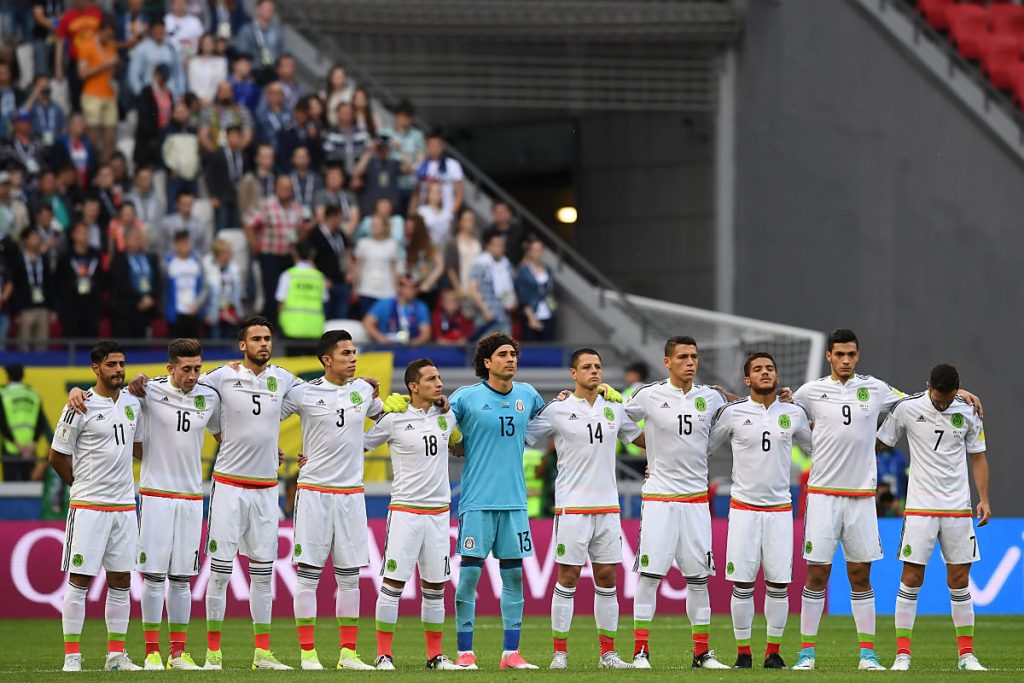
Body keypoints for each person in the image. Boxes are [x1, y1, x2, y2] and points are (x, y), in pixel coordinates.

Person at [789, 328, 981, 671]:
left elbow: (917, 400)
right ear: (829, 356)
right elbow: (782, 412)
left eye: (851, 354)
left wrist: (958, 393)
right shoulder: (809, 392)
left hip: (862, 498)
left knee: (861, 575)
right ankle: (806, 653)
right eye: (839, 354)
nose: (845, 360)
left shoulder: (875, 388)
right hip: (821, 496)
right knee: (816, 575)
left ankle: (868, 655)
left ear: (858, 356)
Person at [66, 339, 221, 670]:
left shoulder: (209, 395)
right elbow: (114, 397)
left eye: (198, 368)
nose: (193, 375)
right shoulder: (146, 392)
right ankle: (151, 652)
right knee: (153, 577)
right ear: (170, 368)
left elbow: (230, 432)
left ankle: (177, 654)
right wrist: (77, 390)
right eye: (186, 369)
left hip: (193, 498)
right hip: (154, 495)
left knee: (181, 579)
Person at [526, 348, 643, 669]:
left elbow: (643, 440)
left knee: (607, 577)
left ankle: (608, 653)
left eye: (598, 366)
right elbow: (523, 435)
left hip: (608, 507)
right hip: (572, 507)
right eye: (587, 367)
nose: (594, 371)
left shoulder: (614, 408)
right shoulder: (558, 409)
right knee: (568, 576)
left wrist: (663, 457)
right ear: (573, 374)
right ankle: (560, 654)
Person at [622, 336, 734, 669]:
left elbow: (745, 411)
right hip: (659, 499)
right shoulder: (649, 394)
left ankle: (701, 653)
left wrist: (777, 396)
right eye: (683, 356)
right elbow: (618, 419)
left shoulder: (710, 397)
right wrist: (647, 445)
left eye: (694, 357)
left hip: (696, 501)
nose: (690, 362)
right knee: (650, 576)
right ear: (667, 361)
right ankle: (641, 652)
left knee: (699, 577)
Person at [876, 363, 990, 672]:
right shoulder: (908, 409)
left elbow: (978, 457)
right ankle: (902, 655)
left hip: (957, 509)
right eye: (938, 398)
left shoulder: (968, 411)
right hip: (920, 509)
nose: (942, 404)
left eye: (948, 398)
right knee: (911, 578)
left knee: (959, 580)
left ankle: (967, 656)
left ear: (957, 390)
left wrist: (984, 499)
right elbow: (880, 442)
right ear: (928, 386)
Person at [282, 330, 382, 671]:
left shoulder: (364, 390)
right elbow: (263, 418)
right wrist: (272, 451)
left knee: (350, 577)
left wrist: (364, 443)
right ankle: (308, 654)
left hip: (352, 494)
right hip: (314, 493)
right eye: (346, 353)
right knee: (309, 575)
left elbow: (389, 420)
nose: (353, 358)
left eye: (355, 352)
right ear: (327, 360)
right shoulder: (305, 393)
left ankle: (348, 655)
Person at [708, 352, 813, 669]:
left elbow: (817, 448)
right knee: (742, 583)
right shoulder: (733, 414)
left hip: (781, 510)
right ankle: (743, 652)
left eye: (769, 368)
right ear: (746, 379)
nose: (765, 372)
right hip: (743, 510)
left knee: (779, 583)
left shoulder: (793, 413)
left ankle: (773, 652)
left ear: (777, 376)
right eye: (757, 369)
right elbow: (704, 448)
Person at [49, 341, 143, 671]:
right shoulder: (79, 405)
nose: (119, 369)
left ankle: (115, 657)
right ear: (96, 368)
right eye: (112, 364)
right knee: (80, 581)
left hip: (125, 508)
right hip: (89, 506)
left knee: (121, 582)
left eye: (121, 364)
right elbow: (56, 455)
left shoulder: (133, 404)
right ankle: (72, 656)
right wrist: (80, 487)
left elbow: (140, 449)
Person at [363, 359, 462, 670]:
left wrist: (453, 424)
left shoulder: (447, 416)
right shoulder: (393, 418)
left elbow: (458, 447)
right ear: (413, 386)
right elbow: (359, 444)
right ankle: (382, 654)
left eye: (439, 377)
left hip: (439, 514)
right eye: (431, 379)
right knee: (393, 584)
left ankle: (435, 656)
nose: (439, 383)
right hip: (406, 511)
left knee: (435, 587)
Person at [244, 174, 306, 323]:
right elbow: (247, 222)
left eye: (288, 188)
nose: (286, 191)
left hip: (289, 256)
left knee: (287, 293)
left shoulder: (297, 208)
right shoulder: (266, 205)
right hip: (269, 255)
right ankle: (270, 325)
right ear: (276, 188)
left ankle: (285, 323)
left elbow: (302, 228)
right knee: (271, 292)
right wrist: (254, 244)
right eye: (283, 188)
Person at [55, 221, 104, 338]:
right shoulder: (65, 257)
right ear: (73, 235)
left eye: (86, 232)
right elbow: (58, 282)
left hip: (91, 307)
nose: (84, 235)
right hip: (71, 308)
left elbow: (101, 280)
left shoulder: (95, 255)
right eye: (80, 232)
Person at [0, 364, 49, 482]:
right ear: (22, 376)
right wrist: (33, 443)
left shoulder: (3, 393)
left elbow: (2, 422)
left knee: (10, 492)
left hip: (10, 448)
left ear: (8, 376)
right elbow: (41, 421)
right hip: (29, 449)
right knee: (31, 489)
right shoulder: (32, 393)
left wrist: (16, 443)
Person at [109, 226, 160, 338]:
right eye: (134, 238)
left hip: (146, 309)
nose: (138, 241)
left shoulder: (150, 258)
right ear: (125, 240)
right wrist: (140, 298)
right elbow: (120, 284)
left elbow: (157, 281)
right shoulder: (119, 259)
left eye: (139, 238)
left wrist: (150, 297)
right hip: (126, 310)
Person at [275, 240, 326, 348]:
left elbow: (280, 303)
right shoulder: (319, 277)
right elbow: (324, 301)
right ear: (312, 254)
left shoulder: (288, 275)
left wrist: (281, 324)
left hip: (291, 329)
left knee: (293, 364)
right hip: (314, 329)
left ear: (295, 253)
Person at [12, 227, 55, 351]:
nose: (36, 241)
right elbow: (15, 287)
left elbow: (49, 284)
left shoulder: (43, 259)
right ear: (25, 241)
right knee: (23, 346)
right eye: (33, 238)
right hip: (25, 310)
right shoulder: (18, 260)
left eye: (37, 238)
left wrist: (52, 309)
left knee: (42, 346)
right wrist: (16, 312)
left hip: (42, 308)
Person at [467, 230, 516, 336]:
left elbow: (511, 288)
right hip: (486, 319)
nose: (500, 248)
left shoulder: (506, 264)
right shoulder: (481, 264)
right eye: (496, 245)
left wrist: (513, 301)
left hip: (503, 316)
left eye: (502, 245)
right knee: (486, 350)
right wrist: (485, 310)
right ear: (488, 246)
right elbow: (472, 289)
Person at [380, 100, 425, 214]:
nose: (404, 120)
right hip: (391, 183)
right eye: (402, 116)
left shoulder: (417, 135)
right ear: (396, 116)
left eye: (408, 117)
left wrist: (401, 151)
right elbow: (380, 157)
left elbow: (420, 162)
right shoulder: (384, 133)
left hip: (411, 184)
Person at [307, 204, 351, 320]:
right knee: (325, 316)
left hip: (341, 281)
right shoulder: (315, 234)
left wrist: (348, 271)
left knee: (340, 317)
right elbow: (310, 259)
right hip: (324, 283)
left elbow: (345, 254)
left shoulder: (340, 234)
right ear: (332, 217)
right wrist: (321, 278)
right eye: (340, 218)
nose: (341, 221)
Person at [362, 275, 431, 347]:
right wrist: (380, 338)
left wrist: (417, 342)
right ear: (399, 288)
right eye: (409, 287)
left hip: (411, 348)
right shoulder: (385, 303)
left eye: (414, 287)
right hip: (387, 347)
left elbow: (425, 333)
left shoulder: (421, 306)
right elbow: (367, 323)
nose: (412, 291)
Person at [351, 214, 399, 316]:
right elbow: (357, 267)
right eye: (373, 225)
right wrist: (355, 287)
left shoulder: (392, 244)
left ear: (384, 227)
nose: (374, 227)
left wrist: (397, 289)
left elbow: (394, 269)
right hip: (366, 290)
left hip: (387, 291)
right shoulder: (363, 243)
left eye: (377, 225)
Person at [204, 124, 246, 232]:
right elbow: (209, 175)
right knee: (222, 226)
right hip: (222, 195)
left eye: (238, 136)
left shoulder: (243, 155)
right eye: (233, 135)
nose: (236, 138)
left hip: (239, 197)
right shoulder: (218, 153)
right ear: (227, 137)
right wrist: (213, 195)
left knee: (237, 227)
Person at [164, 231, 205, 338]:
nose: (185, 246)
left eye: (187, 242)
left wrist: (198, 304)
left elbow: (204, 286)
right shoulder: (168, 263)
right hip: (176, 312)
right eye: (182, 243)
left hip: (193, 311)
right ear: (176, 245)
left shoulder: (197, 262)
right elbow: (164, 288)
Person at [129, 20, 185, 98]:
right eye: (157, 30)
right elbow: (133, 74)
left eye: (161, 29)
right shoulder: (142, 48)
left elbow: (178, 73)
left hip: (169, 93)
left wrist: (180, 92)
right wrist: (140, 93)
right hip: (150, 94)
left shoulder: (171, 48)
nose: (159, 32)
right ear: (151, 31)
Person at [414, 129, 463, 216]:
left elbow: (459, 194)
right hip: (424, 214)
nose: (434, 149)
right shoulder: (420, 165)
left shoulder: (452, 165)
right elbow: (416, 193)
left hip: (445, 213)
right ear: (426, 146)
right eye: (431, 146)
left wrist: (451, 214)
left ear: (442, 146)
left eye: (436, 146)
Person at [352, 134, 402, 216]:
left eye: (385, 148)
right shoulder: (370, 163)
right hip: (371, 208)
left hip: (391, 208)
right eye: (380, 149)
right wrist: (369, 151)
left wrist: (400, 150)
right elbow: (356, 172)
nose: (383, 151)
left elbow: (411, 169)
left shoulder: (394, 163)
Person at [516, 237, 556, 341]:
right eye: (534, 250)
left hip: (548, 311)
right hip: (531, 313)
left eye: (540, 250)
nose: (537, 253)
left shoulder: (548, 269)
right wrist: (531, 317)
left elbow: (549, 291)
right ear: (530, 252)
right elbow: (523, 296)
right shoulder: (524, 271)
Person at [202, 238, 243, 339]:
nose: (231, 254)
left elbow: (238, 292)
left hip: (230, 312)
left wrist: (239, 312)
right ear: (220, 254)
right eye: (228, 252)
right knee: (215, 346)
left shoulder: (234, 269)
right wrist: (205, 313)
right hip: (214, 313)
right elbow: (203, 294)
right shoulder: (208, 269)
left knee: (228, 344)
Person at [232, 0, 284, 77]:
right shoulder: (247, 30)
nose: (269, 11)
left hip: (273, 72)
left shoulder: (277, 31)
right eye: (266, 8)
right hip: (253, 72)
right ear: (258, 9)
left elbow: (283, 53)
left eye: (271, 9)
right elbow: (242, 55)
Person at [199, 81, 254, 153]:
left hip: (236, 149)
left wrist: (236, 151)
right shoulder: (207, 111)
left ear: (233, 93)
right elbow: (203, 136)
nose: (225, 94)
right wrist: (216, 153)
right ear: (217, 93)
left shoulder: (243, 111)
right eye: (222, 91)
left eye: (228, 91)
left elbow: (247, 136)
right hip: (214, 150)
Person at [162, 100, 201, 202]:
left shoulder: (193, 131)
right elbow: (161, 153)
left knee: (194, 207)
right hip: (176, 177)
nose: (181, 114)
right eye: (178, 112)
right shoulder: (167, 131)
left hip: (192, 177)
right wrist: (169, 170)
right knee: (173, 209)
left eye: (184, 111)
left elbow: (197, 152)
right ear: (173, 113)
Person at [405, 215, 444, 307]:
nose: (409, 230)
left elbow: (440, 266)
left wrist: (429, 282)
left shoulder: (430, 244)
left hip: (428, 288)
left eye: (412, 228)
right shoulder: (407, 244)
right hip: (413, 287)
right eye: (407, 227)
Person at [322, 102, 369, 177]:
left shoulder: (362, 134)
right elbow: (329, 158)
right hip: (339, 176)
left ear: (353, 114)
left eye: (348, 112)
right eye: (343, 112)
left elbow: (368, 153)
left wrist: (357, 175)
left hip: (362, 176)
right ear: (337, 114)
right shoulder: (331, 135)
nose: (346, 115)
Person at [160, 188, 208, 258]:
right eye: (184, 204)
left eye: (190, 204)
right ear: (177, 204)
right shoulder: (167, 223)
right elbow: (162, 247)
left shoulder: (200, 224)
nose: (187, 208)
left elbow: (203, 248)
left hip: (193, 262)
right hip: (171, 261)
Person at [444, 207, 480, 298]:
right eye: (466, 220)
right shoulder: (453, 242)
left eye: (471, 220)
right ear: (460, 222)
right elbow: (450, 268)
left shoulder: (478, 242)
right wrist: (458, 288)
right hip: (461, 286)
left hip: (478, 288)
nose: (469, 223)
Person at [312, 162, 359, 233]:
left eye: (337, 177)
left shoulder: (350, 195)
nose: (334, 180)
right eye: (331, 177)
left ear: (342, 179)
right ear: (326, 180)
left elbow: (355, 218)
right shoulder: (320, 195)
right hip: (328, 230)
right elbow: (320, 218)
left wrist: (345, 235)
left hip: (348, 229)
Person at [165, 0, 204, 75]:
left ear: (187, 5)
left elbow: (200, 40)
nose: (180, 6)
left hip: (191, 60)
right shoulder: (166, 20)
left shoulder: (194, 21)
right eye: (177, 3)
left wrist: (189, 58)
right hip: (169, 60)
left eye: (183, 3)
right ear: (172, 5)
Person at [25, 74, 65, 146]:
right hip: (36, 144)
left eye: (46, 86)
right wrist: (34, 95)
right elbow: (23, 114)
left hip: (55, 143)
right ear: (35, 87)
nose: (44, 89)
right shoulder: (32, 106)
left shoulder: (56, 107)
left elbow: (63, 128)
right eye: (41, 86)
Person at [238, 141, 276, 216]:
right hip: (252, 219)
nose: (268, 160)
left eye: (270, 157)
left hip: (273, 218)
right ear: (257, 158)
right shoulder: (249, 179)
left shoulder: (277, 179)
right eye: (264, 156)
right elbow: (242, 203)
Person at [490, 200, 526, 266]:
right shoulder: (490, 232)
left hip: (516, 268)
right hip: (496, 268)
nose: (501, 215)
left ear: (509, 213)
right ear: (493, 214)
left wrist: (524, 261)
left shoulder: (518, 229)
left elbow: (527, 245)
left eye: (503, 212)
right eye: (498, 213)